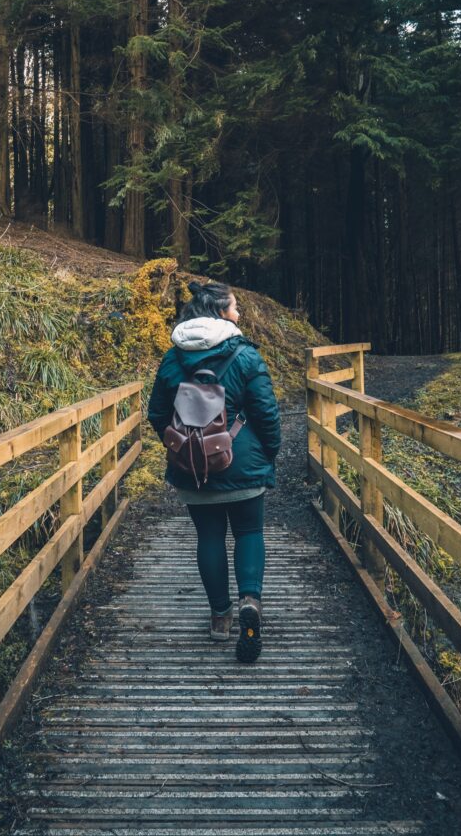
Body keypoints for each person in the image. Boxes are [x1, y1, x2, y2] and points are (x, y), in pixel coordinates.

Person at [147, 280, 281, 663]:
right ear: (221, 311)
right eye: (235, 307)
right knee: (249, 531)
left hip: (193, 469)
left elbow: (157, 413)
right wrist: (268, 453)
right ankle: (250, 602)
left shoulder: (173, 358)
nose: (239, 314)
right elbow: (266, 413)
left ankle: (220, 618)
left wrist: (182, 449)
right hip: (243, 463)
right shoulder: (245, 356)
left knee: (209, 536)